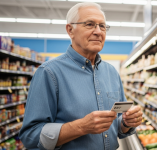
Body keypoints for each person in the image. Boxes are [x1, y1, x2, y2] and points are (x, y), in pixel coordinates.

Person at [19, 2, 143, 150]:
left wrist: (126, 123)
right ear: (70, 30)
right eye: (90, 24)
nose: (98, 31)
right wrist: (81, 127)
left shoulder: (111, 73)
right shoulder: (49, 72)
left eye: (102, 26)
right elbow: (30, 136)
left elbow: (116, 127)